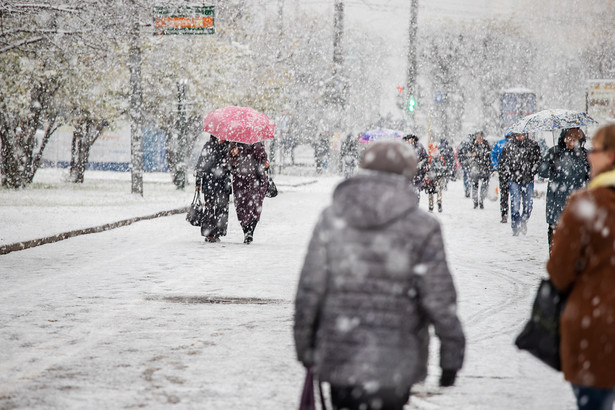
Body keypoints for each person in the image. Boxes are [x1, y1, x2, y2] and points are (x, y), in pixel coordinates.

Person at [294, 140, 465, 410]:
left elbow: (310, 288)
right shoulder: (423, 227)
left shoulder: (332, 219)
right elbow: (439, 297)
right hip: (396, 359)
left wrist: (305, 345)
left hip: (341, 353)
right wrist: (451, 356)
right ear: (408, 174)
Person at [546, 124, 615, 410]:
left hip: (596, 326)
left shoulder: (586, 205)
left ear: (611, 156)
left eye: (595, 150)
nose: (590, 156)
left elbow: (559, 272)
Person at [537, 127, 590, 251]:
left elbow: (592, 175)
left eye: (574, 139)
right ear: (563, 139)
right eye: (568, 139)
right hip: (556, 200)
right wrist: (550, 164)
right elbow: (542, 172)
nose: (571, 142)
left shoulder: (584, 155)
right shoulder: (554, 152)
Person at [498, 132, 541, 236]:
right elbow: (503, 162)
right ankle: (515, 226)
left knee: (528, 206)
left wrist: (532, 170)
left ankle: (524, 221)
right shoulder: (508, 146)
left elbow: (538, 160)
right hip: (514, 179)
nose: (520, 137)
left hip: (528, 179)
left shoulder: (533, 145)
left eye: (522, 135)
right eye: (518, 135)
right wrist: (509, 173)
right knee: (515, 204)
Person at [229, 141, 270, 244]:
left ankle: (250, 231)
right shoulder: (235, 144)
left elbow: (264, 160)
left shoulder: (258, 144)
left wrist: (265, 163)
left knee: (256, 206)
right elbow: (229, 163)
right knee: (241, 206)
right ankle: (246, 231)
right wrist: (233, 159)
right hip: (240, 180)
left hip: (255, 179)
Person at [194, 135, 232, 243]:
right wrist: (198, 182)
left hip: (223, 183)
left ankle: (218, 232)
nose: (222, 137)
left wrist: (232, 158)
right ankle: (209, 233)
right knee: (209, 208)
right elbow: (200, 165)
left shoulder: (229, 147)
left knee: (222, 209)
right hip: (210, 182)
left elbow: (232, 167)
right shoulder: (209, 146)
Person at [467, 131, 492, 209]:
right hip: (475, 167)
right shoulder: (472, 145)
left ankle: (481, 200)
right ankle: (475, 201)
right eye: (477, 138)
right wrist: (472, 156)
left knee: (484, 185)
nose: (479, 139)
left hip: (484, 167)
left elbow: (489, 155)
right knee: (475, 185)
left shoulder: (486, 145)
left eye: (480, 138)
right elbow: (468, 155)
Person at [491, 134, 512, 223]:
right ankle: (504, 214)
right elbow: (493, 155)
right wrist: (496, 167)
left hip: (514, 172)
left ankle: (515, 214)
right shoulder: (500, 143)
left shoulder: (516, 144)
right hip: (503, 171)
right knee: (504, 194)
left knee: (514, 195)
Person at [403, 133, 428, 199]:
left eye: (411, 139)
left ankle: (415, 204)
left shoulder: (419, 146)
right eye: (408, 139)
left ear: (414, 139)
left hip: (418, 174)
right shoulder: (403, 147)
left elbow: (425, 157)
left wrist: (420, 164)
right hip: (407, 174)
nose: (409, 141)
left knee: (416, 192)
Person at [425, 142, 448, 213]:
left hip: (432, 176)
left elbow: (426, 168)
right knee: (438, 190)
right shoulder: (440, 157)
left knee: (431, 192)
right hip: (438, 176)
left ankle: (431, 206)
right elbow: (445, 166)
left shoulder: (429, 158)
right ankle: (439, 203)